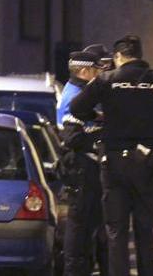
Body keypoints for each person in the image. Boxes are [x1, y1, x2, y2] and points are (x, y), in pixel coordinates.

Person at [69, 34, 153, 276]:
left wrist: (99, 118)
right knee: (144, 230)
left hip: (115, 161)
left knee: (116, 232)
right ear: (140, 55)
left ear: (118, 57)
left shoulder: (107, 80)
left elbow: (76, 107)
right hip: (148, 162)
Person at [57, 50, 108, 276]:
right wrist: (99, 141)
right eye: (96, 70)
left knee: (88, 231)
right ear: (85, 70)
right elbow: (72, 137)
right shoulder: (75, 96)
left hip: (86, 168)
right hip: (81, 168)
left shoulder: (81, 91)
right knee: (79, 232)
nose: (99, 74)